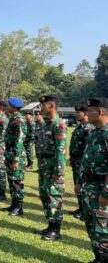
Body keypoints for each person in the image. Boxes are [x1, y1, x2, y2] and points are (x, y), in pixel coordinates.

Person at [78, 98, 108, 263]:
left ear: (100, 112)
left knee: (103, 229)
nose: (87, 113)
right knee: (92, 226)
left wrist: (106, 192)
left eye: (90, 110)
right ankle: (98, 258)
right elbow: (87, 160)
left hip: (101, 188)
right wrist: (79, 182)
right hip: (89, 187)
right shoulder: (95, 133)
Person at [34, 95, 66, 241]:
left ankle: (56, 229)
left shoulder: (58, 124)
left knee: (54, 197)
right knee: (45, 195)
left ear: (51, 106)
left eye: (43, 105)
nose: (41, 107)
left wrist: (58, 172)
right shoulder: (45, 124)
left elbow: (60, 150)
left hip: (52, 167)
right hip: (43, 166)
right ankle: (50, 224)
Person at [1, 98, 27, 216]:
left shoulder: (19, 120)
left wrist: (16, 159)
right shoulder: (13, 119)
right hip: (10, 153)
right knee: (11, 180)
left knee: (17, 181)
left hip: (17, 156)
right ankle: (13, 204)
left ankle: (19, 207)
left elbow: (19, 140)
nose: (7, 107)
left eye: (9, 105)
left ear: (14, 107)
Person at [69, 105, 93, 220]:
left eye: (79, 112)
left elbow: (87, 149)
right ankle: (80, 207)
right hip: (76, 161)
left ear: (85, 114)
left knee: (83, 186)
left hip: (82, 161)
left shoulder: (88, 128)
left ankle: (84, 211)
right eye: (76, 112)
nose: (76, 114)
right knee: (77, 185)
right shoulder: (80, 127)